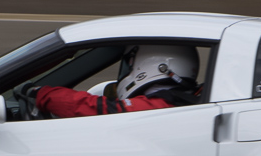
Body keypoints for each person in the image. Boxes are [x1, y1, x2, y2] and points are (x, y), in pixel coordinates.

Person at [32, 44, 201, 118]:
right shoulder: (182, 99)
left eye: (130, 66)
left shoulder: (161, 106)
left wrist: (41, 94)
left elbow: (98, 109)